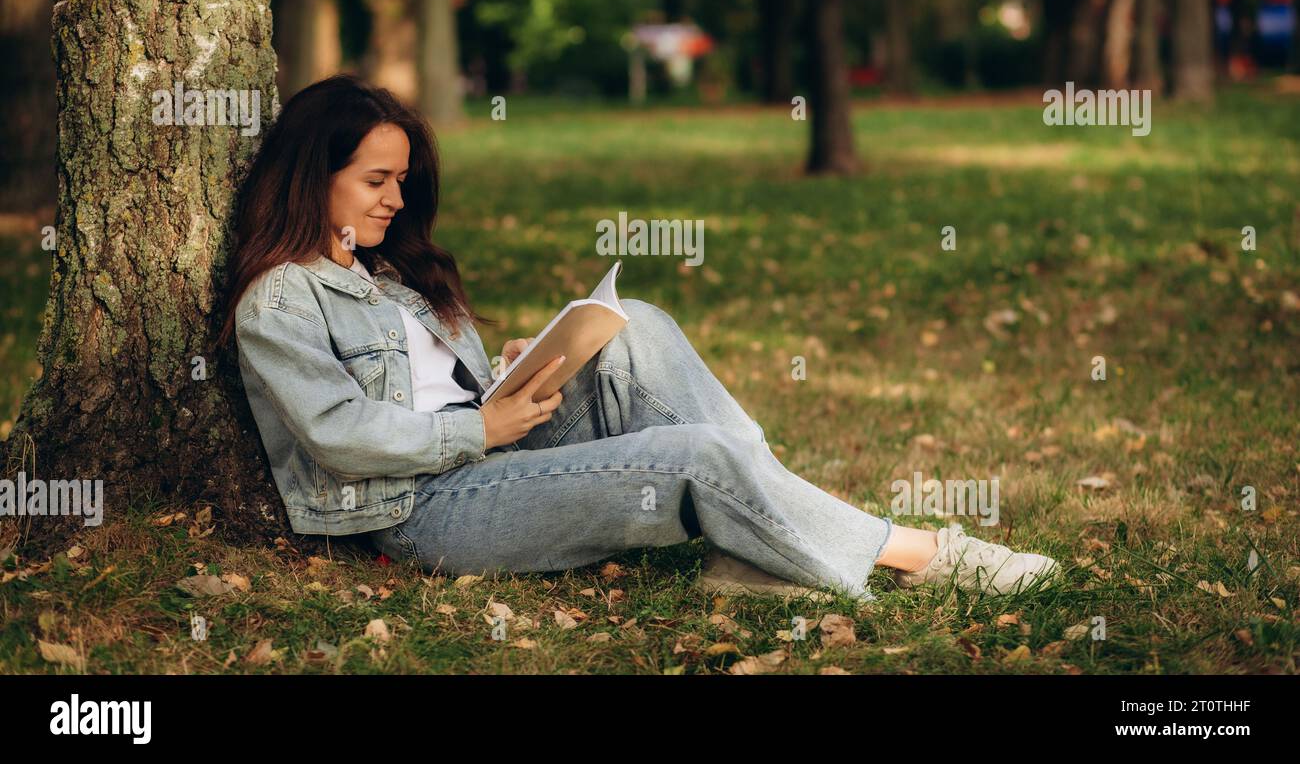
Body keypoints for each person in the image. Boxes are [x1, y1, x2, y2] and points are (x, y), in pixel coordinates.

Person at [219, 75, 1061, 602]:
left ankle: (759, 542)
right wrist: (477, 428)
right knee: (696, 456)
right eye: (375, 179)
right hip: (421, 512)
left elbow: (431, 387)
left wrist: (502, 377)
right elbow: (339, 432)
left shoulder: (386, 273)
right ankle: (921, 553)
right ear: (311, 175)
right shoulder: (280, 302)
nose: (396, 199)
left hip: (484, 447)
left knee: (638, 330)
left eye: (402, 179)